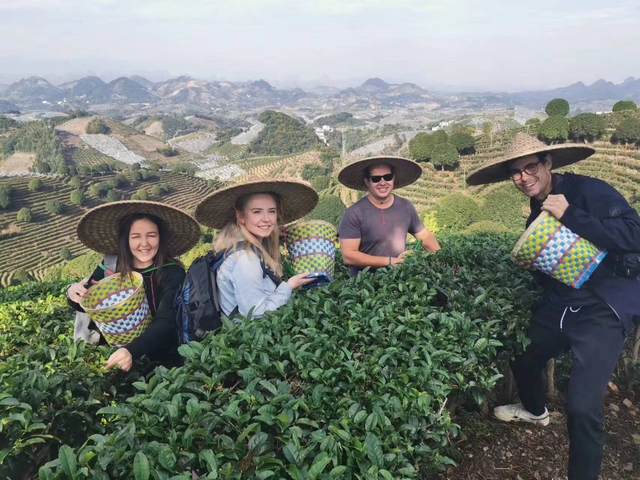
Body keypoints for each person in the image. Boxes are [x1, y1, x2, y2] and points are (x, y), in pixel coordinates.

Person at [466, 133, 640, 480]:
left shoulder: (588, 191)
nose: (523, 177)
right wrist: (536, 268)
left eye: (530, 167)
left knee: (581, 408)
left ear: (547, 164)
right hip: (562, 304)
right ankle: (535, 410)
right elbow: (562, 266)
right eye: (515, 172)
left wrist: (572, 214)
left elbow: (634, 234)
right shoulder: (536, 214)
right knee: (523, 355)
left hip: (603, 308)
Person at [67, 201, 200, 371]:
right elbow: (84, 302)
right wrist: (71, 291)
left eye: (151, 235)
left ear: (161, 237)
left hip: (162, 363)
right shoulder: (111, 267)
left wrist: (131, 350)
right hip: (115, 358)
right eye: (136, 236)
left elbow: (167, 320)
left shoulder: (172, 272)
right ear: (126, 239)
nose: (144, 243)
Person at [194, 179, 319, 318]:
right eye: (257, 212)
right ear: (241, 216)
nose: (266, 219)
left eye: (271, 211)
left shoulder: (238, 246)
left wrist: (274, 235)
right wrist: (289, 286)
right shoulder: (246, 260)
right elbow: (256, 315)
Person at [337, 155, 440, 276]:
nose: (382, 182)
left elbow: (424, 236)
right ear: (367, 182)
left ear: (393, 179)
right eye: (376, 179)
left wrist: (442, 261)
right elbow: (348, 255)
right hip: (364, 285)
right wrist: (389, 261)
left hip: (398, 280)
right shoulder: (355, 213)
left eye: (387, 177)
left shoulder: (405, 206)